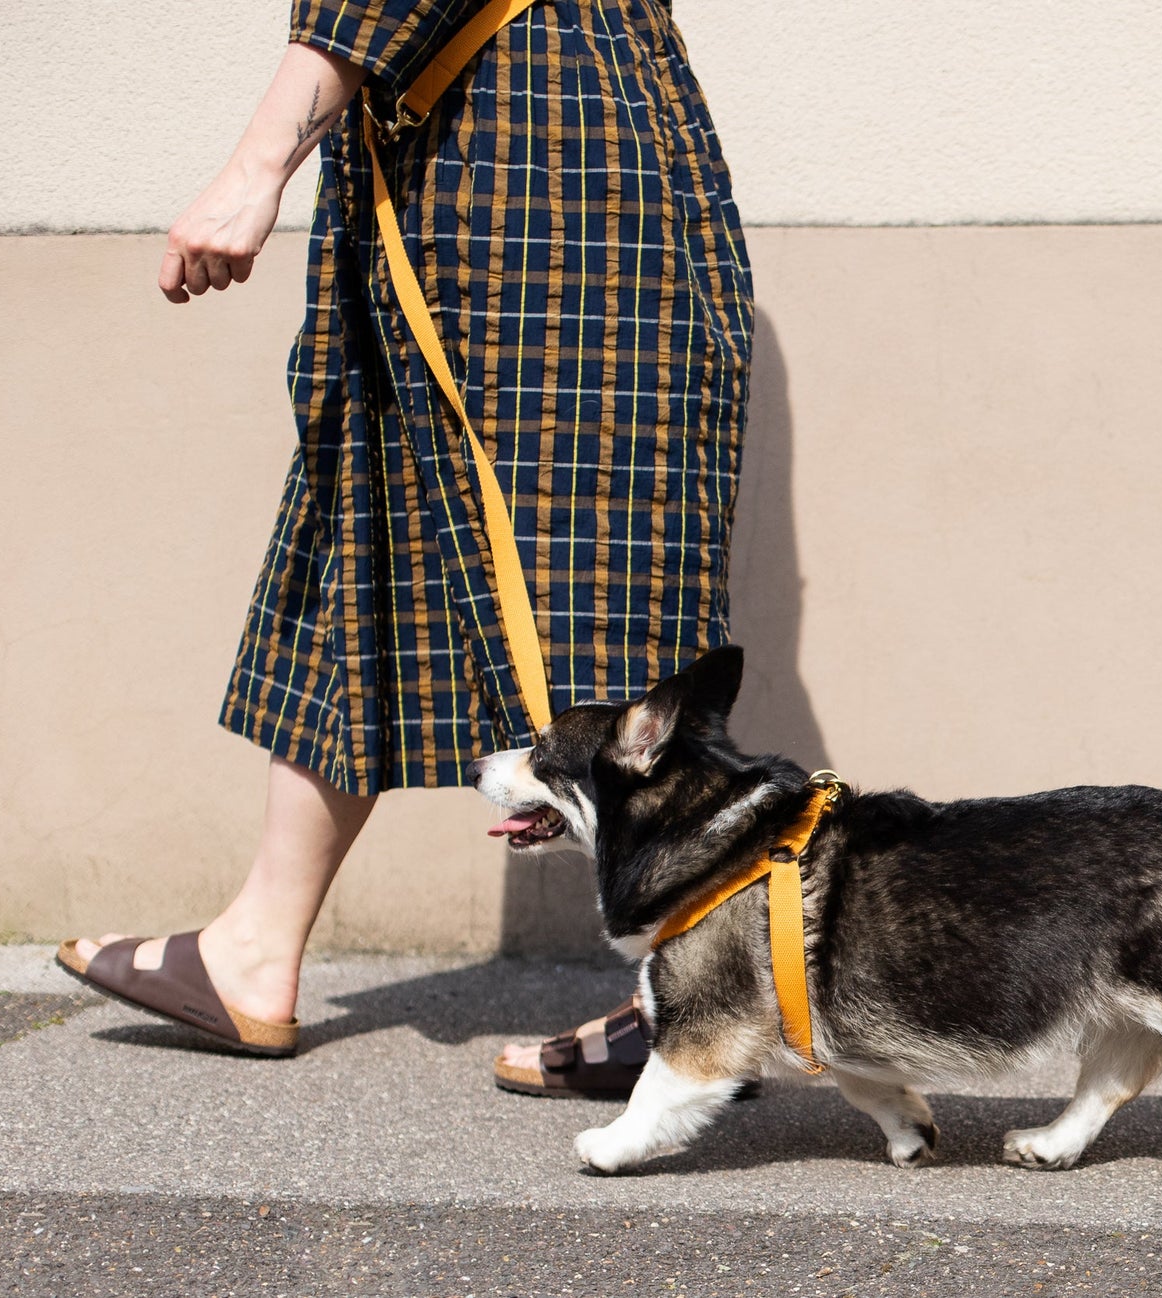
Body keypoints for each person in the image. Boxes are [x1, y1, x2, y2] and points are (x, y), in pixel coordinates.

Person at [59, 0, 751, 1095]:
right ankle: (255, 944)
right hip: (464, 156)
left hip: (533, 166)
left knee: (595, 550)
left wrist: (255, 163)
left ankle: (696, 993)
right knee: (376, 519)